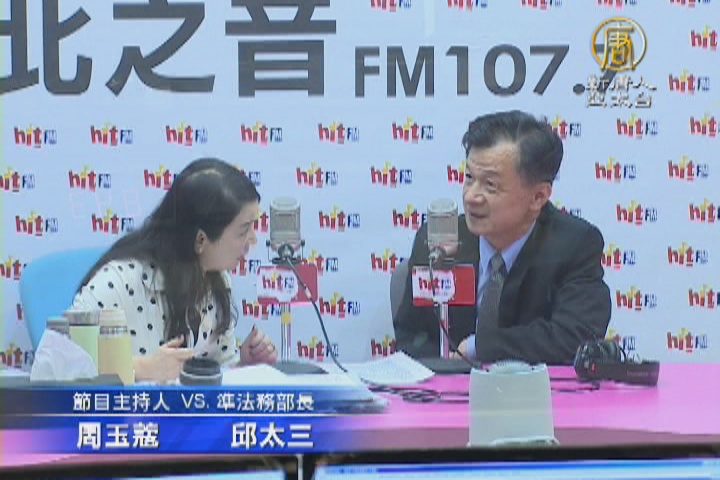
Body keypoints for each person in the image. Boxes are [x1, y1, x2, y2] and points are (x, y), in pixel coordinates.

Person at [393, 110, 611, 365]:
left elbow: (574, 337)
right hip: (450, 388)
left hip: (531, 389)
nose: (471, 197)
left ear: (538, 197)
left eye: (490, 185)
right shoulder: (439, 242)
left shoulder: (574, 245)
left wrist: (478, 347)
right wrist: (446, 370)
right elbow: (412, 336)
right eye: (469, 178)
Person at [71, 158, 278, 383]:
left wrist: (244, 365)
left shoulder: (217, 279)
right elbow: (59, 363)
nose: (253, 240)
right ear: (201, 240)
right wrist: (142, 368)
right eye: (243, 231)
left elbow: (217, 374)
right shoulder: (118, 282)